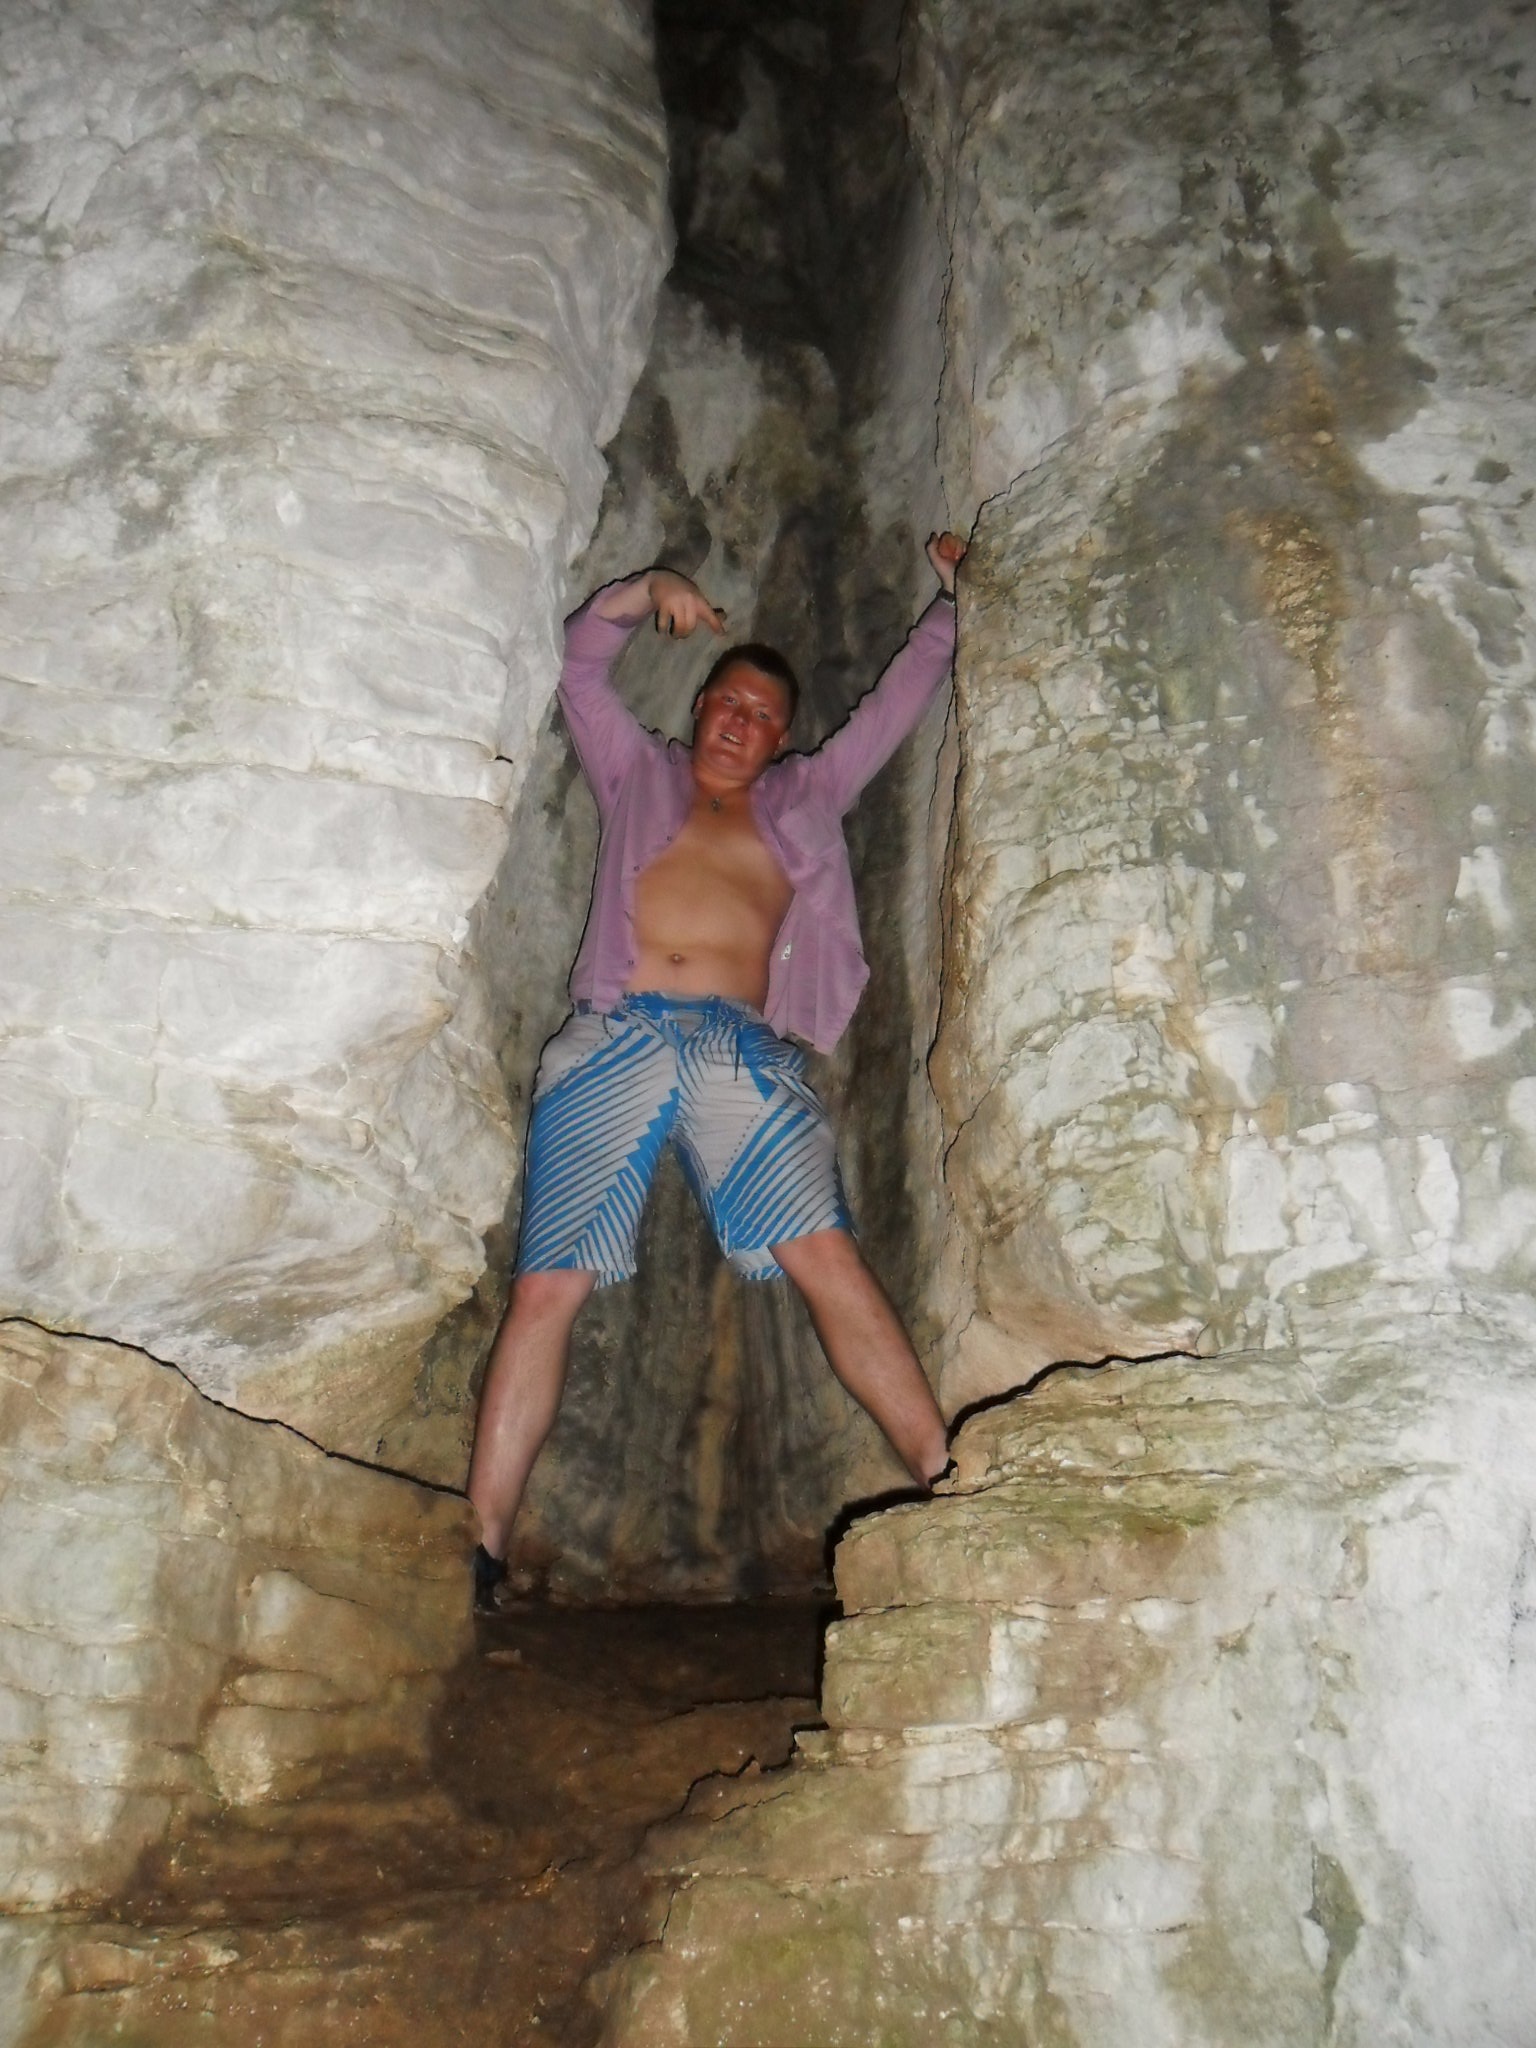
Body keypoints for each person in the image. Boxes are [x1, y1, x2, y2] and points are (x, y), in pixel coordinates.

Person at [467, 531, 966, 1608]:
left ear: (783, 736)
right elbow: (578, 663)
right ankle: (482, 1544)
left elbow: (892, 706)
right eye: (728, 703)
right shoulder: (638, 771)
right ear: (700, 709)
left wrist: (950, 605)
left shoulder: (806, 797)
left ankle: (950, 1476)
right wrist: (647, 589)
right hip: (615, 1034)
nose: (741, 722)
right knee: (549, 1283)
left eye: (763, 715)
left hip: (740, 1048)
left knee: (824, 1254)